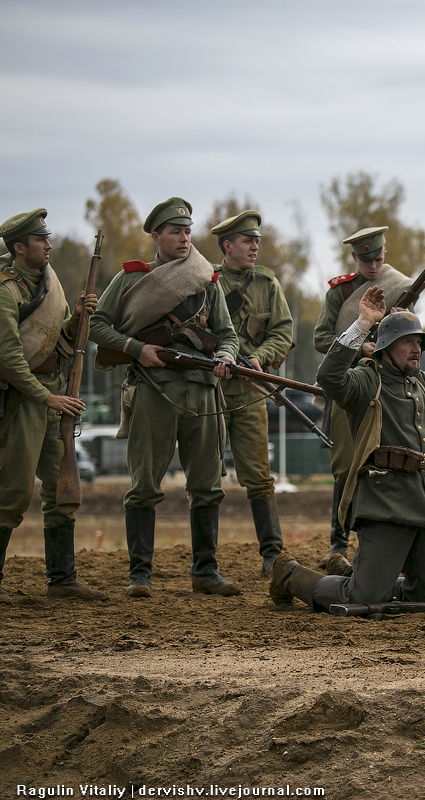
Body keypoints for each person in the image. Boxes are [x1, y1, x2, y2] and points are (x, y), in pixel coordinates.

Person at [270, 287, 425, 611]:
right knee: (361, 599)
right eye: (408, 342)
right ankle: (290, 575)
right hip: (384, 502)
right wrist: (361, 325)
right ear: (386, 347)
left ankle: (362, 574)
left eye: (419, 343)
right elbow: (330, 378)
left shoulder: (422, 384)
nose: (417, 349)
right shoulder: (366, 381)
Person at [89, 197, 241, 598]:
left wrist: (226, 356)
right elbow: (98, 328)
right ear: (156, 236)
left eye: (188, 231)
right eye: (175, 232)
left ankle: (205, 572)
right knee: (143, 485)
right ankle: (140, 575)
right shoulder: (130, 280)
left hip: (204, 393)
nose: (184, 238)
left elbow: (227, 334)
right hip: (154, 392)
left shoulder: (207, 280)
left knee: (208, 484)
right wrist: (137, 349)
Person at [0, 208, 106, 602]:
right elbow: (9, 359)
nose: (49, 245)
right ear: (19, 246)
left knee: (60, 491)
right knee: (12, 494)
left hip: (51, 392)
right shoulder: (5, 292)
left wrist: (76, 316)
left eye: (47, 238)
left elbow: (55, 342)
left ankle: (62, 579)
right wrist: (46, 397)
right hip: (23, 400)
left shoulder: (47, 285)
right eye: (40, 240)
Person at [312, 227, 413, 576]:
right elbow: (322, 338)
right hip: (352, 384)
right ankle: (337, 544)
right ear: (355, 258)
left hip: (387, 388)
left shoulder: (399, 286)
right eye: (367, 259)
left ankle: (380, 543)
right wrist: (361, 346)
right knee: (344, 466)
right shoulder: (340, 292)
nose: (374, 265)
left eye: (379, 258)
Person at [210, 210, 294, 577]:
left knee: (259, 475)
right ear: (228, 246)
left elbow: (283, 332)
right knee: (207, 476)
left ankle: (271, 556)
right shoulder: (204, 282)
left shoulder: (267, 285)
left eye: (257, 241)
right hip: (207, 391)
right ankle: (204, 564)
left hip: (249, 390)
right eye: (248, 241)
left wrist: (260, 358)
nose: (255, 246)